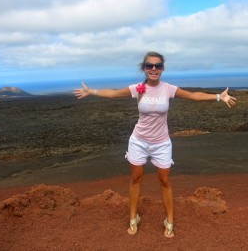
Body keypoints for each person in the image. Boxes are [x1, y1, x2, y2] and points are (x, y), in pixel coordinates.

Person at [74, 51, 237, 238]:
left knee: (164, 181)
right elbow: (113, 93)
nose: (154, 69)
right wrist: (91, 91)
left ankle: (169, 220)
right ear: (144, 68)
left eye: (157, 66)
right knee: (135, 179)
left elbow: (193, 95)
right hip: (139, 141)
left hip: (161, 143)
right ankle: (133, 218)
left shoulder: (167, 89)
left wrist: (218, 97)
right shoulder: (137, 88)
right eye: (150, 65)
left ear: (162, 68)